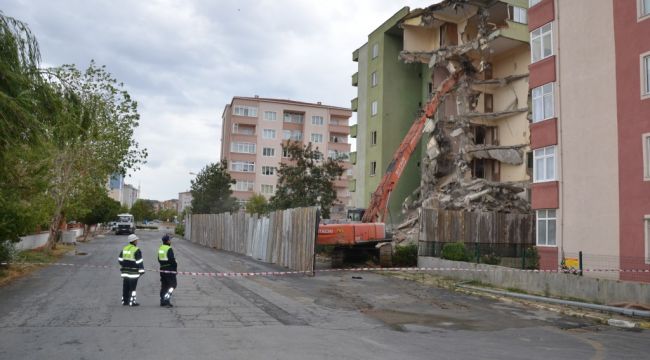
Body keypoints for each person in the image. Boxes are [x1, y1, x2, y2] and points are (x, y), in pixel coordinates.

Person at [118, 234, 145, 306]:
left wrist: (124, 265)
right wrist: (142, 270)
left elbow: (120, 259)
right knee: (132, 287)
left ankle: (125, 301)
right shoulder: (136, 250)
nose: (137, 241)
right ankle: (132, 302)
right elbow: (139, 261)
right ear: (134, 241)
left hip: (125, 271)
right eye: (136, 240)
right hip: (133, 272)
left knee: (125, 287)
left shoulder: (124, 248)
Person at [158, 234, 177, 307]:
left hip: (162, 269)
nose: (170, 241)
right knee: (172, 285)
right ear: (167, 241)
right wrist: (175, 269)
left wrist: (163, 265)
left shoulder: (161, 248)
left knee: (164, 285)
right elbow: (172, 260)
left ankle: (162, 300)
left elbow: (159, 259)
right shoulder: (169, 249)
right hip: (169, 269)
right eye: (170, 240)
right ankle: (167, 300)